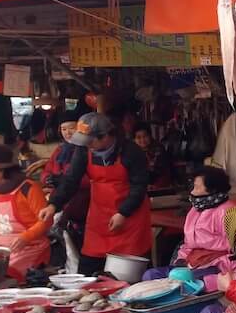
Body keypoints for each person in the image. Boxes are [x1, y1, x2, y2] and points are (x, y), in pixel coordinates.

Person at [39, 112, 152, 275]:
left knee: (128, 275)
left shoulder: (131, 151)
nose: (87, 145)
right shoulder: (84, 150)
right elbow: (71, 179)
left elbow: (140, 186)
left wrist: (123, 212)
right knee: (88, 269)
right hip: (99, 217)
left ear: (105, 136)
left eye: (90, 141)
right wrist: (53, 204)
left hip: (130, 218)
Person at [0, 145, 52, 279]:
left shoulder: (28, 188)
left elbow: (46, 221)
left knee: (4, 276)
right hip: (1, 251)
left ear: (3, 170)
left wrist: (26, 237)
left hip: (31, 249)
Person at [142, 166, 233, 282]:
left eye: (197, 187)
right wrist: (181, 260)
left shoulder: (228, 212)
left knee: (183, 283)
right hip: (190, 264)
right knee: (150, 275)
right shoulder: (195, 210)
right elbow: (188, 243)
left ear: (212, 190)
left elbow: (235, 250)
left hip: (215, 267)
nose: (192, 192)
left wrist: (213, 262)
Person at [42, 110, 90, 249]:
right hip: (60, 203)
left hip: (82, 205)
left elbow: (90, 179)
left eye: (71, 128)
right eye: (64, 129)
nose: (67, 133)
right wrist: (48, 178)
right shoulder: (59, 150)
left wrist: (64, 180)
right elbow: (46, 171)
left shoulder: (86, 150)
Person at [133, 122, 173, 188]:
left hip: (159, 185)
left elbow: (163, 171)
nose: (142, 140)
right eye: (138, 137)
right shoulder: (132, 153)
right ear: (134, 140)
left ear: (150, 136)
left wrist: (154, 186)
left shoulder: (159, 149)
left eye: (145, 136)